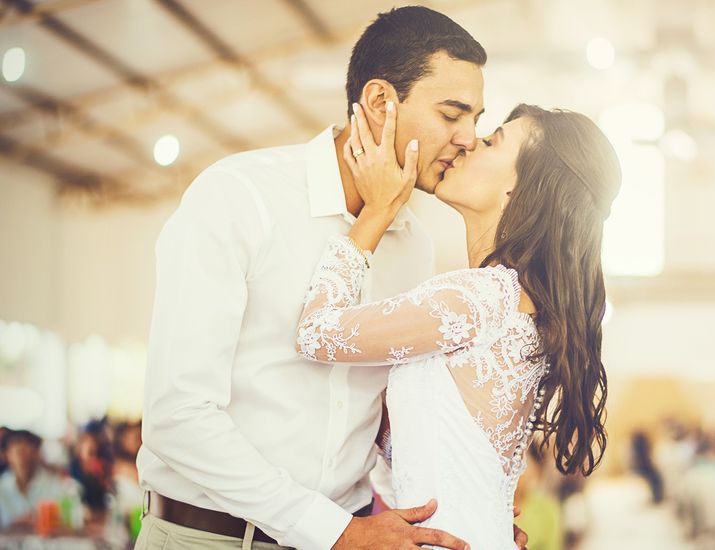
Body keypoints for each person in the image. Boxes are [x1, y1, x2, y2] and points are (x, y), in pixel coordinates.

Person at [135, 6, 519, 550]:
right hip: (210, 537)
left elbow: (377, 426)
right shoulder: (239, 196)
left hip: (354, 532)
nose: (467, 139)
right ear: (381, 103)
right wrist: (332, 531)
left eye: (476, 120)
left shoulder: (414, 246)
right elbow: (177, 417)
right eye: (452, 114)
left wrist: (463, 513)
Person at [296, 101, 620, 547]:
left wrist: (376, 212)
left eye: (490, 141)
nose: (467, 143)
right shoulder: (518, 303)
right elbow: (433, 448)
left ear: (519, 191)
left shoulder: (479, 297)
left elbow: (316, 334)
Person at [0, 429, 79, 531]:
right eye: (18, 452)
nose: (23, 458)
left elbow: (69, 518)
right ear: (7, 455)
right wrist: (13, 526)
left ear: (37, 453)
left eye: (27, 451)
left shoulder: (55, 483)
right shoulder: (2, 487)